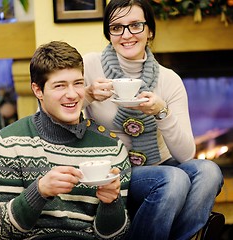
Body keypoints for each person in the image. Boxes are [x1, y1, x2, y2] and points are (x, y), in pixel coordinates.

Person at [83, 0, 224, 239]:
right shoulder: (90, 65)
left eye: (136, 25)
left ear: (150, 31)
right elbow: (55, 112)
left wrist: (162, 112)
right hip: (114, 170)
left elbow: (186, 155)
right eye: (117, 27)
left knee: (209, 171)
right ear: (109, 33)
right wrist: (87, 96)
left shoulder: (169, 80)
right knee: (174, 178)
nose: (127, 35)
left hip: (161, 164)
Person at [0, 41, 132, 240]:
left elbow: (116, 236)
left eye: (78, 83)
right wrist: (40, 191)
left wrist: (111, 204)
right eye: (60, 86)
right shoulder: (10, 142)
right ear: (38, 91)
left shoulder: (112, 148)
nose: (72, 95)